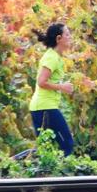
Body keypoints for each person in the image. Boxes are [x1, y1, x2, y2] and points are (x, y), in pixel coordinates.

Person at [29, 22, 75, 156]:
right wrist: (62, 87)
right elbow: (41, 82)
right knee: (66, 143)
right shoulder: (51, 58)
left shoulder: (56, 57)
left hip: (44, 107)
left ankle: (48, 173)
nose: (70, 37)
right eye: (67, 34)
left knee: (47, 148)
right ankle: (64, 174)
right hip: (44, 108)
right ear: (58, 39)